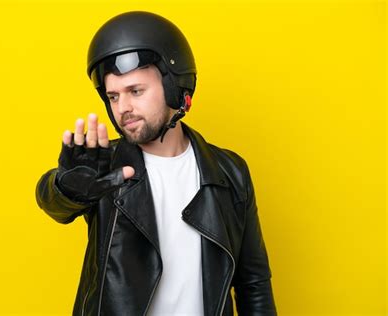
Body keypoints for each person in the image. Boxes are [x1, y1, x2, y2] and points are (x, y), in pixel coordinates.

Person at [36, 11, 277, 316]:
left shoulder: (230, 173)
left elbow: (253, 282)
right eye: (113, 96)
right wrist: (65, 189)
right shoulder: (103, 166)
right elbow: (52, 201)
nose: (123, 108)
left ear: (176, 88)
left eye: (135, 91)